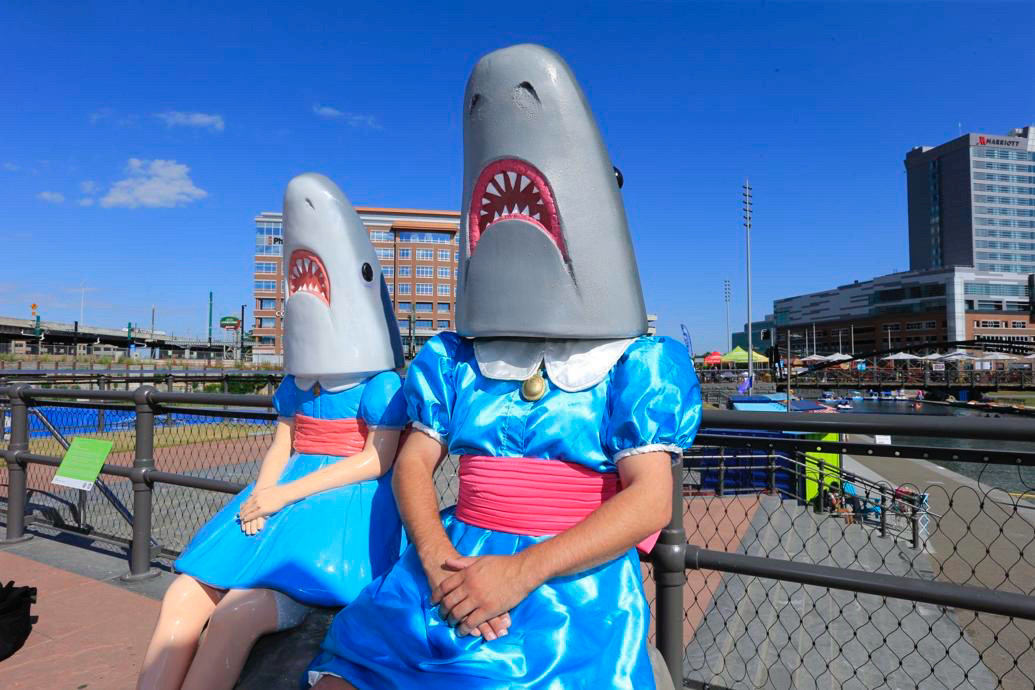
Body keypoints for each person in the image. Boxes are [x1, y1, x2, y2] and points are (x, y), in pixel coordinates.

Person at [306, 43, 702, 690]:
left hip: (569, 591)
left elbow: (650, 500)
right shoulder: (455, 362)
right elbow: (412, 463)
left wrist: (520, 573)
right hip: (451, 565)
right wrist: (435, 561)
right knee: (340, 677)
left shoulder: (632, 367)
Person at [138, 174, 407, 690]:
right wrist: (264, 490)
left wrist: (281, 494)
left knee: (237, 617)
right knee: (181, 598)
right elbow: (282, 443)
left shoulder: (381, 385)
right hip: (281, 499)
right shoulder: (296, 385)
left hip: (337, 517)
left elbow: (375, 460)